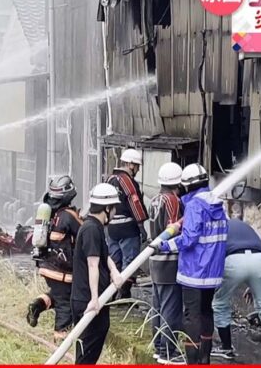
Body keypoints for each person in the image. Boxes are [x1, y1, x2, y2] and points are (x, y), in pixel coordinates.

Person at [152, 163, 228, 365]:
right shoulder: (218, 203)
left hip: (194, 272)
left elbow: (189, 239)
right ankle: (205, 359)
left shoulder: (194, 206)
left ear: (187, 185)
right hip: (213, 272)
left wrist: (165, 245)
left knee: (191, 316)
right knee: (206, 312)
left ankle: (192, 361)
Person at [211, 219, 261, 364]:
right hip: (259, 259)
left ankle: (226, 348)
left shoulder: (218, 227)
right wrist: (252, 284)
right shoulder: (242, 225)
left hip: (233, 258)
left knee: (220, 303)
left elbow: (214, 254)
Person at [70, 183, 124, 364]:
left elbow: (103, 254)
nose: (115, 212)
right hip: (89, 301)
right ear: (107, 208)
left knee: (87, 351)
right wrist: (94, 299)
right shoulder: (92, 229)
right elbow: (93, 264)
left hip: (90, 299)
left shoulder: (94, 227)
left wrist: (114, 270)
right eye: (114, 208)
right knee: (86, 355)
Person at [27, 176, 82, 340]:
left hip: (47, 267)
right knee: (66, 304)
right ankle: (60, 339)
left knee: (58, 295)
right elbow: (85, 232)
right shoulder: (69, 216)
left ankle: (37, 305)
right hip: (62, 271)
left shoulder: (49, 213)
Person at [148, 162, 185, 365]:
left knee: (158, 306)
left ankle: (159, 347)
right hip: (169, 261)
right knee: (171, 307)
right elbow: (173, 228)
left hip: (155, 261)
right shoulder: (173, 201)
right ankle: (169, 351)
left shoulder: (154, 199)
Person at [106, 148, 148, 299]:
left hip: (111, 228)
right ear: (130, 164)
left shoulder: (110, 179)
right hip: (128, 228)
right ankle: (124, 295)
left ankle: (109, 294)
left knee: (114, 261)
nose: (137, 169)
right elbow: (134, 202)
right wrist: (141, 225)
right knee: (130, 262)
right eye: (136, 166)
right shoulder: (127, 180)